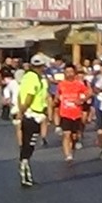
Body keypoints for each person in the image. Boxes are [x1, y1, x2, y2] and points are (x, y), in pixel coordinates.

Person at [16, 55, 51, 187]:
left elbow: (20, 95)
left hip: (33, 113)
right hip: (33, 114)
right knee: (29, 145)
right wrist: (22, 111)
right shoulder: (34, 78)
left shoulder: (28, 77)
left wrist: (21, 109)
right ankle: (24, 171)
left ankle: (25, 171)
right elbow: (29, 96)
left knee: (27, 144)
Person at [55, 64, 91, 163]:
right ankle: (68, 155)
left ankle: (72, 148)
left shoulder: (79, 84)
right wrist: (57, 100)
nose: (69, 74)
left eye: (71, 72)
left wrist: (82, 100)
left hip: (76, 113)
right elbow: (57, 95)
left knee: (74, 136)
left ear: (74, 73)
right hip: (65, 113)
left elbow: (89, 93)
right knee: (67, 134)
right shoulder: (61, 84)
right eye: (67, 72)